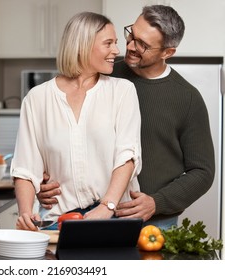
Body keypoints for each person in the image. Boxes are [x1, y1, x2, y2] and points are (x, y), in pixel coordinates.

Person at [37, 5, 215, 230]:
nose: (129, 46)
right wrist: (45, 180)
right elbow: (64, 133)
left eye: (143, 45)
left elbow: (203, 172)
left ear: (167, 52)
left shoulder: (187, 98)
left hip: (153, 223)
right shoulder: (101, 72)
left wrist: (156, 203)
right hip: (88, 213)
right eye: (131, 34)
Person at [10, 12, 142, 231]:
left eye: (116, 43)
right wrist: (26, 214)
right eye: (108, 43)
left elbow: (127, 156)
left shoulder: (122, 91)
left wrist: (106, 207)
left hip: (115, 217)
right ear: (83, 45)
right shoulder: (38, 98)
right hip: (59, 222)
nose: (116, 51)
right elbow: (25, 168)